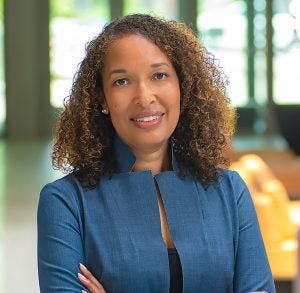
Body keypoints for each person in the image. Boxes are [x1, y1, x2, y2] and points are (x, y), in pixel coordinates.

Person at [37, 14, 275, 293]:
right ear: (101, 97)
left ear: (182, 88)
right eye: (122, 81)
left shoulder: (230, 191)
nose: (144, 97)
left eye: (159, 75)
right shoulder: (65, 202)